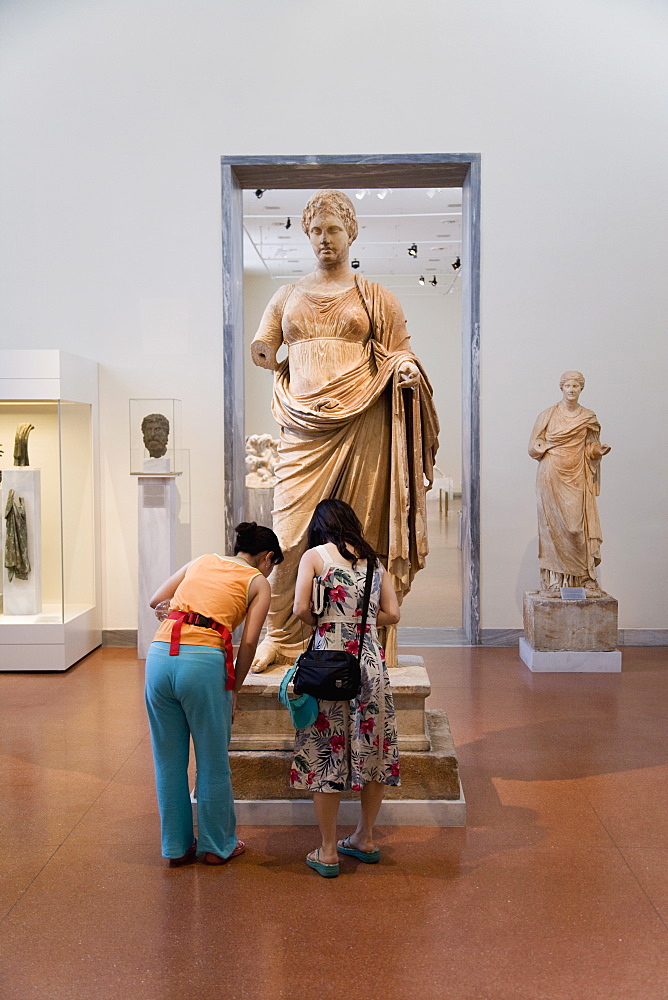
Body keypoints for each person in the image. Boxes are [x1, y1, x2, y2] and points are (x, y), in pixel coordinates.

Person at [250, 189, 439, 672]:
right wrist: (268, 355)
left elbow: (400, 352)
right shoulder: (286, 295)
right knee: (289, 538)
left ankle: (364, 635)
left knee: (359, 536)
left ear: (350, 232)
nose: (323, 239)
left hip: (362, 425)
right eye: (315, 231)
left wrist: (406, 372)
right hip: (302, 426)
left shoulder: (375, 296)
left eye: (332, 229)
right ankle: (278, 633)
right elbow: (264, 348)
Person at [144, 522, 283, 866]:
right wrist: (234, 688)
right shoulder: (258, 582)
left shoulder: (201, 560)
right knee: (212, 761)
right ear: (267, 558)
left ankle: (176, 847)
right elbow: (249, 642)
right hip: (203, 663)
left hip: (160, 655)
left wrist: (181, 615)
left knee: (168, 761)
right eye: (273, 565)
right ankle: (217, 846)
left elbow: (155, 600)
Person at [291, 499, 401, 878]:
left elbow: (300, 608)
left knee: (326, 750)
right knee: (373, 748)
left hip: (329, 662)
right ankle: (365, 837)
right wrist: (363, 621)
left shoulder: (315, 557)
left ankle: (327, 851)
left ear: (321, 526)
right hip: (369, 661)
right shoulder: (375, 562)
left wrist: (327, 620)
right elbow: (394, 614)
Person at [529, 371, 610, 597]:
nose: (572, 390)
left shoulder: (588, 417)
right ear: (561, 388)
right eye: (568, 386)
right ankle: (555, 581)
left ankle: (584, 578)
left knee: (577, 527)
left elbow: (591, 446)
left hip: (577, 475)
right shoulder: (548, 415)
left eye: (576, 386)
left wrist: (597, 451)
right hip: (551, 475)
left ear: (581, 389)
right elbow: (533, 446)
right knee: (552, 528)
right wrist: (546, 447)